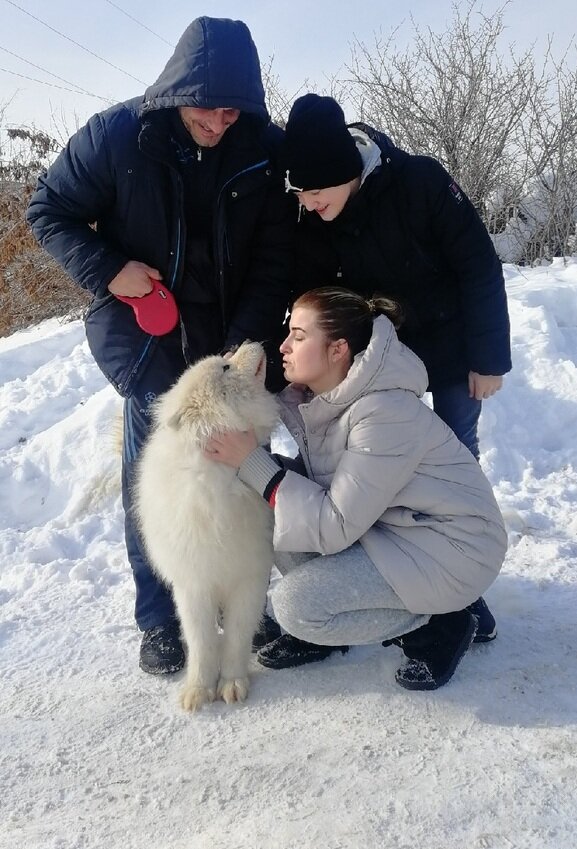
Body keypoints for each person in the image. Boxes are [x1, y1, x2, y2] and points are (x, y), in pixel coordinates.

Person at [26, 17, 294, 675]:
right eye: (207, 107)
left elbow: (275, 251)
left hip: (232, 333)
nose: (219, 122)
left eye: (234, 110)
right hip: (145, 332)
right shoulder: (118, 136)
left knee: (245, 467)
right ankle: (160, 618)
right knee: (159, 476)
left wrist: (248, 342)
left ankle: (246, 603)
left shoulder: (263, 144)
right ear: (178, 89)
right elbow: (48, 211)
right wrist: (108, 270)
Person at [280, 93, 512, 641]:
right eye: (300, 193)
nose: (309, 204)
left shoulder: (420, 182)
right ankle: (395, 575)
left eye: (316, 191)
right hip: (378, 358)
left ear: (345, 172)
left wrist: (488, 356)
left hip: (450, 349)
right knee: (372, 472)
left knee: (450, 466)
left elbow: (478, 263)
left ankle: (460, 596)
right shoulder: (314, 216)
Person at [203, 287, 508, 689]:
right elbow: (317, 490)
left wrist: (252, 462)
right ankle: (325, 636)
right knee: (269, 507)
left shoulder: (383, 413)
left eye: (298, 335)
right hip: (397, 534)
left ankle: (439, 624)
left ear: (338, 349)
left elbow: (334, 524)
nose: (283, 346)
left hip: (454, 549)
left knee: (296, 607)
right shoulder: (325, 398)